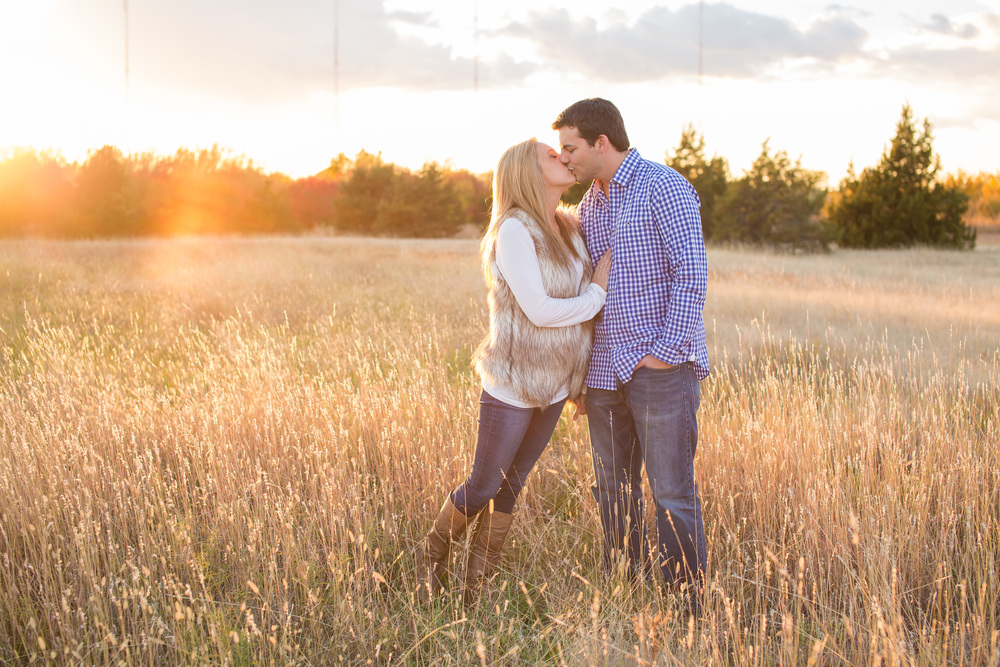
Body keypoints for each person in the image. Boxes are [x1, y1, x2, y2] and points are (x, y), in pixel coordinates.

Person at [416, 138, 612, 605]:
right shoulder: (513, 230)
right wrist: (596, 295)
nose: (564, 158)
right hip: (513, 382)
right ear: (528, 171)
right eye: (552, 155)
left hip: (556, 384)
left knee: (511, 486)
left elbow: (578, 323)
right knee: (485, 484)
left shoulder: (570, 226)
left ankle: (474, 589)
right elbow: (540, 310)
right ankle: (429, 559)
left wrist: (578, 381)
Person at [552, 98, 710, 597]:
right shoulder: (589, 205)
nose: (564, 158)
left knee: (671, 493)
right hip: (603, 373)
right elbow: (589, 293)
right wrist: (582, 375)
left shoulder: (664, 186)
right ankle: (627, 592)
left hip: (660, 370)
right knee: (611, 490)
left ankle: (685, 605)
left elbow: (691, 274)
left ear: (601, 142)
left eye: (570, 148)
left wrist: (664, 354)